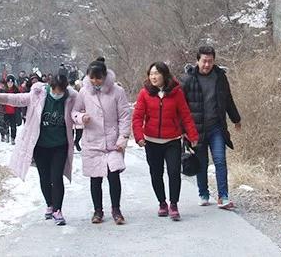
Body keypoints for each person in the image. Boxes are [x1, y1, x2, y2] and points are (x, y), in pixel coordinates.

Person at [0, 74, 78, 225]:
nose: (57, 94)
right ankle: (50, 205)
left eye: (60, 92)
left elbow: (79, 111)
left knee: (57, 177)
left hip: (60, 145)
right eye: (54, 91)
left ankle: (58, 210)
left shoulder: (71, 98)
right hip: (40, 145)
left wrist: (82, 118)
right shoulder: (38, 95)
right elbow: (17, 99)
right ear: (50, 87)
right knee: (44, 177)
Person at [132, 62, 199, 221]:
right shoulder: (144, 93)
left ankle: (174, 204)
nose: (153, 77)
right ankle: (162, 203)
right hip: (151, 141)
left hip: (172, 140)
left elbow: (185, 115)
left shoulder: (177, 93)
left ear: (164, 75)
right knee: (156, 173)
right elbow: (137, 117)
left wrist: (192, 135)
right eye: (151, 74)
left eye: (157, 73)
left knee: (174, 172)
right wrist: (139, 136)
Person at [181, 45, 242, 210]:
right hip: (196, 129)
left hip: (216, 127)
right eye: (204, 61)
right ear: (197, 61)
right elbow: (181, 107)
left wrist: (236, 119)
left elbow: (228, 99)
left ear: (214, 61)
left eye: (210, 61)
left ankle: (223, 196)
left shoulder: (220, 77)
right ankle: (203, 194)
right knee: (202, 162)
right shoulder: (188, 79)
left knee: (220, 160)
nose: (207, 64)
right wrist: (182, 130)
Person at [72, 57, 131, 225]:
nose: (95, 81)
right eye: (92, 78)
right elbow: (74, 112)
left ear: (105, 76)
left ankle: (116, 209)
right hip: (92, 140)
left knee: (114, 176)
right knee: (95, 178)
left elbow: (124, 116)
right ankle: (97, 210)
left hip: (113, 141)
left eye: (98, 78)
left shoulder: (117, 91)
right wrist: (81, 117)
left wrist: (123, 137)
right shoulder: (84, 92)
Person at [0, 75, 21, 144]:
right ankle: (7, 135)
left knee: (13, 126)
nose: (10, 84)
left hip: (13, 111)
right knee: (5, 125)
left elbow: (20, 99)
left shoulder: (16, 90)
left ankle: (13, 138)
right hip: (5, 111)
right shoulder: (3, 90)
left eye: (11, 82)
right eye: (8, 82)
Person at [72, 79, 83, 152]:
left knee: (79, 133)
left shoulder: (82, 95)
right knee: (71, 133)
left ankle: (76, 142)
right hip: (72, 116)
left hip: (80, 116)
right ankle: (71, 145)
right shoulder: (71, 95)